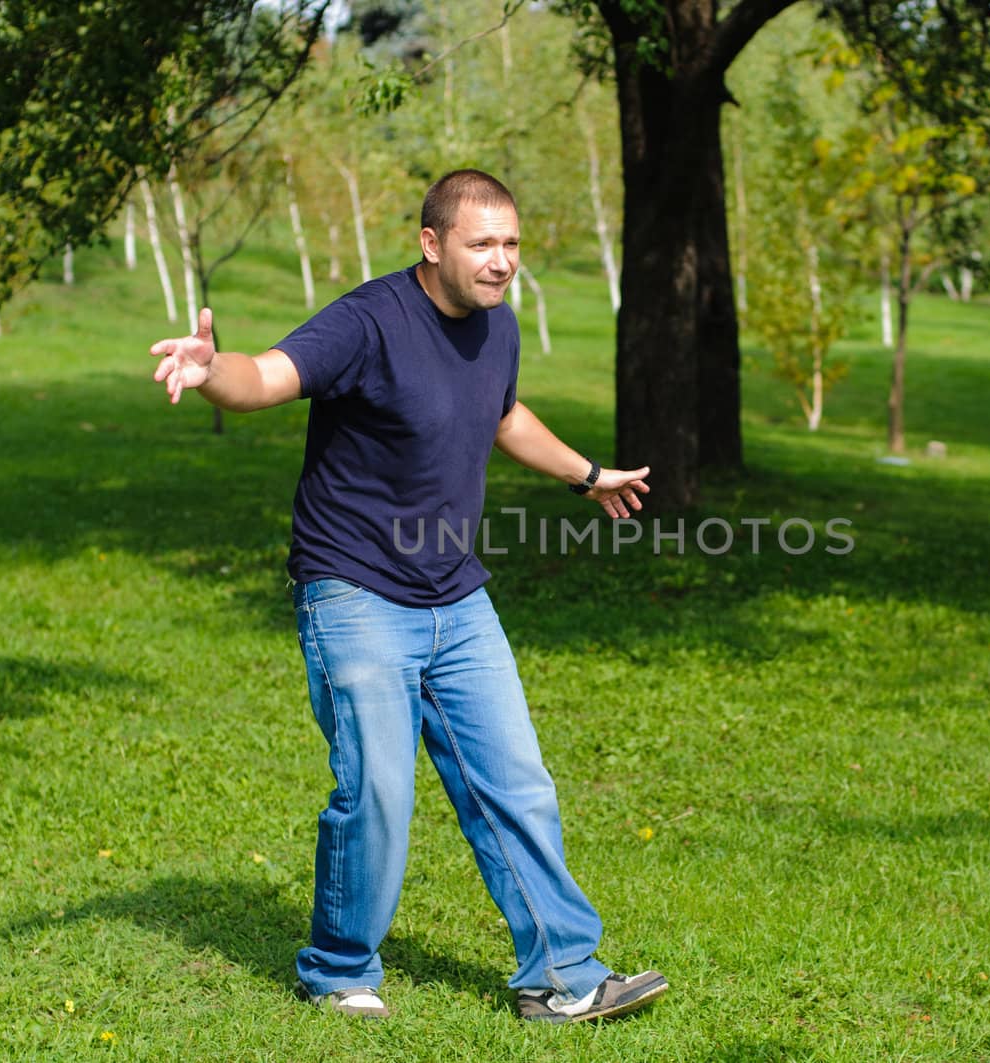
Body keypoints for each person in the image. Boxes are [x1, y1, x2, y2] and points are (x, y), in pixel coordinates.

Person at [147, 170, 665, 1025]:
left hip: (456, 595)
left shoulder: (496, 327)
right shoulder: (368, 321)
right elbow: (270, 376)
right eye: (482, 245)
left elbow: (501, 415)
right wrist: (211, 372)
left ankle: (562, 974)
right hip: (353, 589)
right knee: (379, 790)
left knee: (517, 783)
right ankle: (339, 968)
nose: (501, 263)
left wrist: (586, 475)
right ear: (432, 244)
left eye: (511, 245)